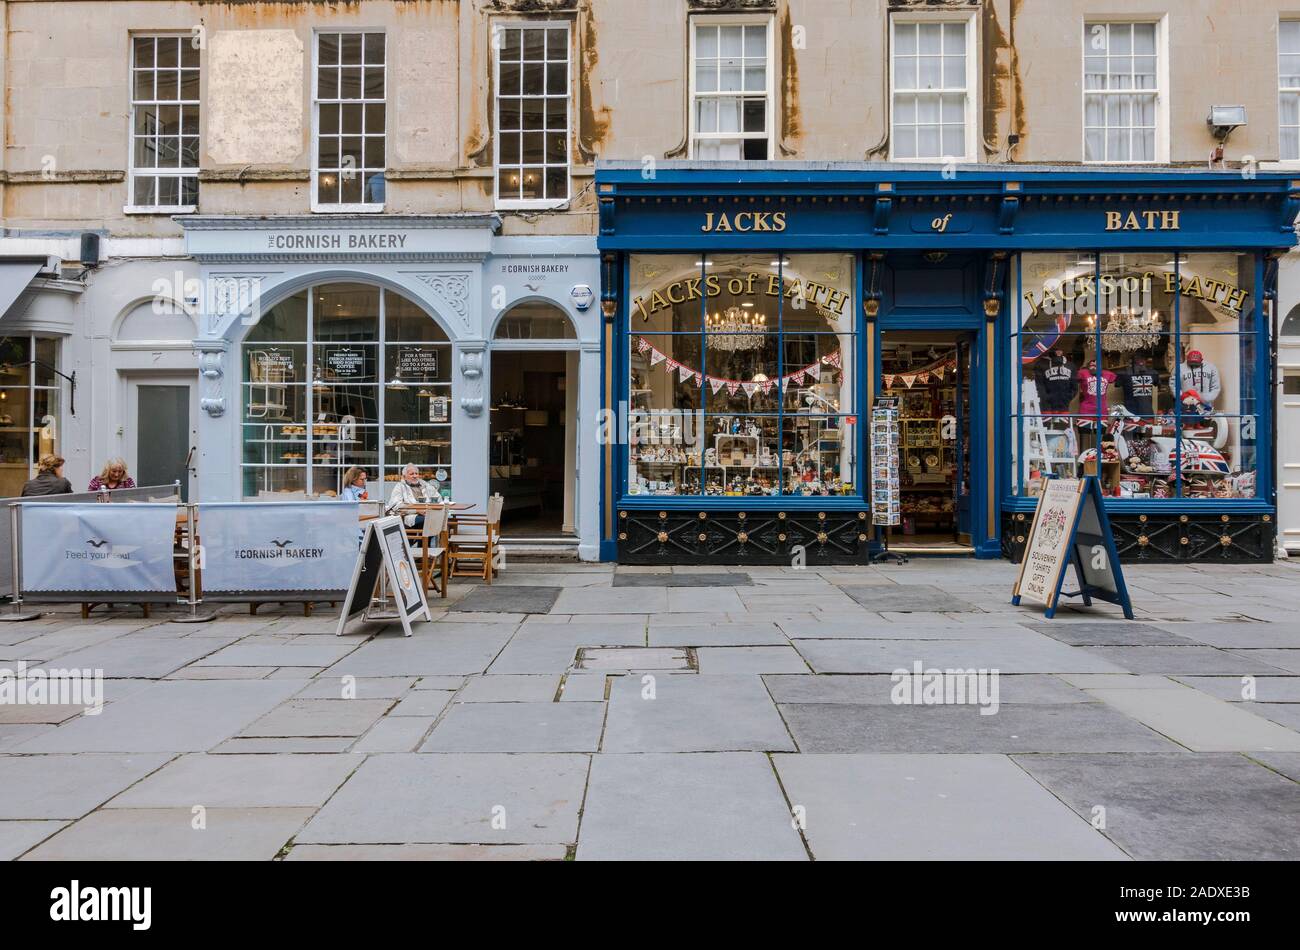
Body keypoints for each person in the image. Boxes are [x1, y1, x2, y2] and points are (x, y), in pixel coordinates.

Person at [386, 463, 441, 528]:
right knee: (428, 520)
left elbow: (438, 498)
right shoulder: (400, 487)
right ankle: (422, 538)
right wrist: (416, 510)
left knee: (441, 518)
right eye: (411, 474)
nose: (415, 476)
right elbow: (396, 506)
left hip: (428, 513)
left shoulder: (425, 485)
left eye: (416, 473)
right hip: (410, 516)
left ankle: (431, 538)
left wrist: (432, 508)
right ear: (404, 476)